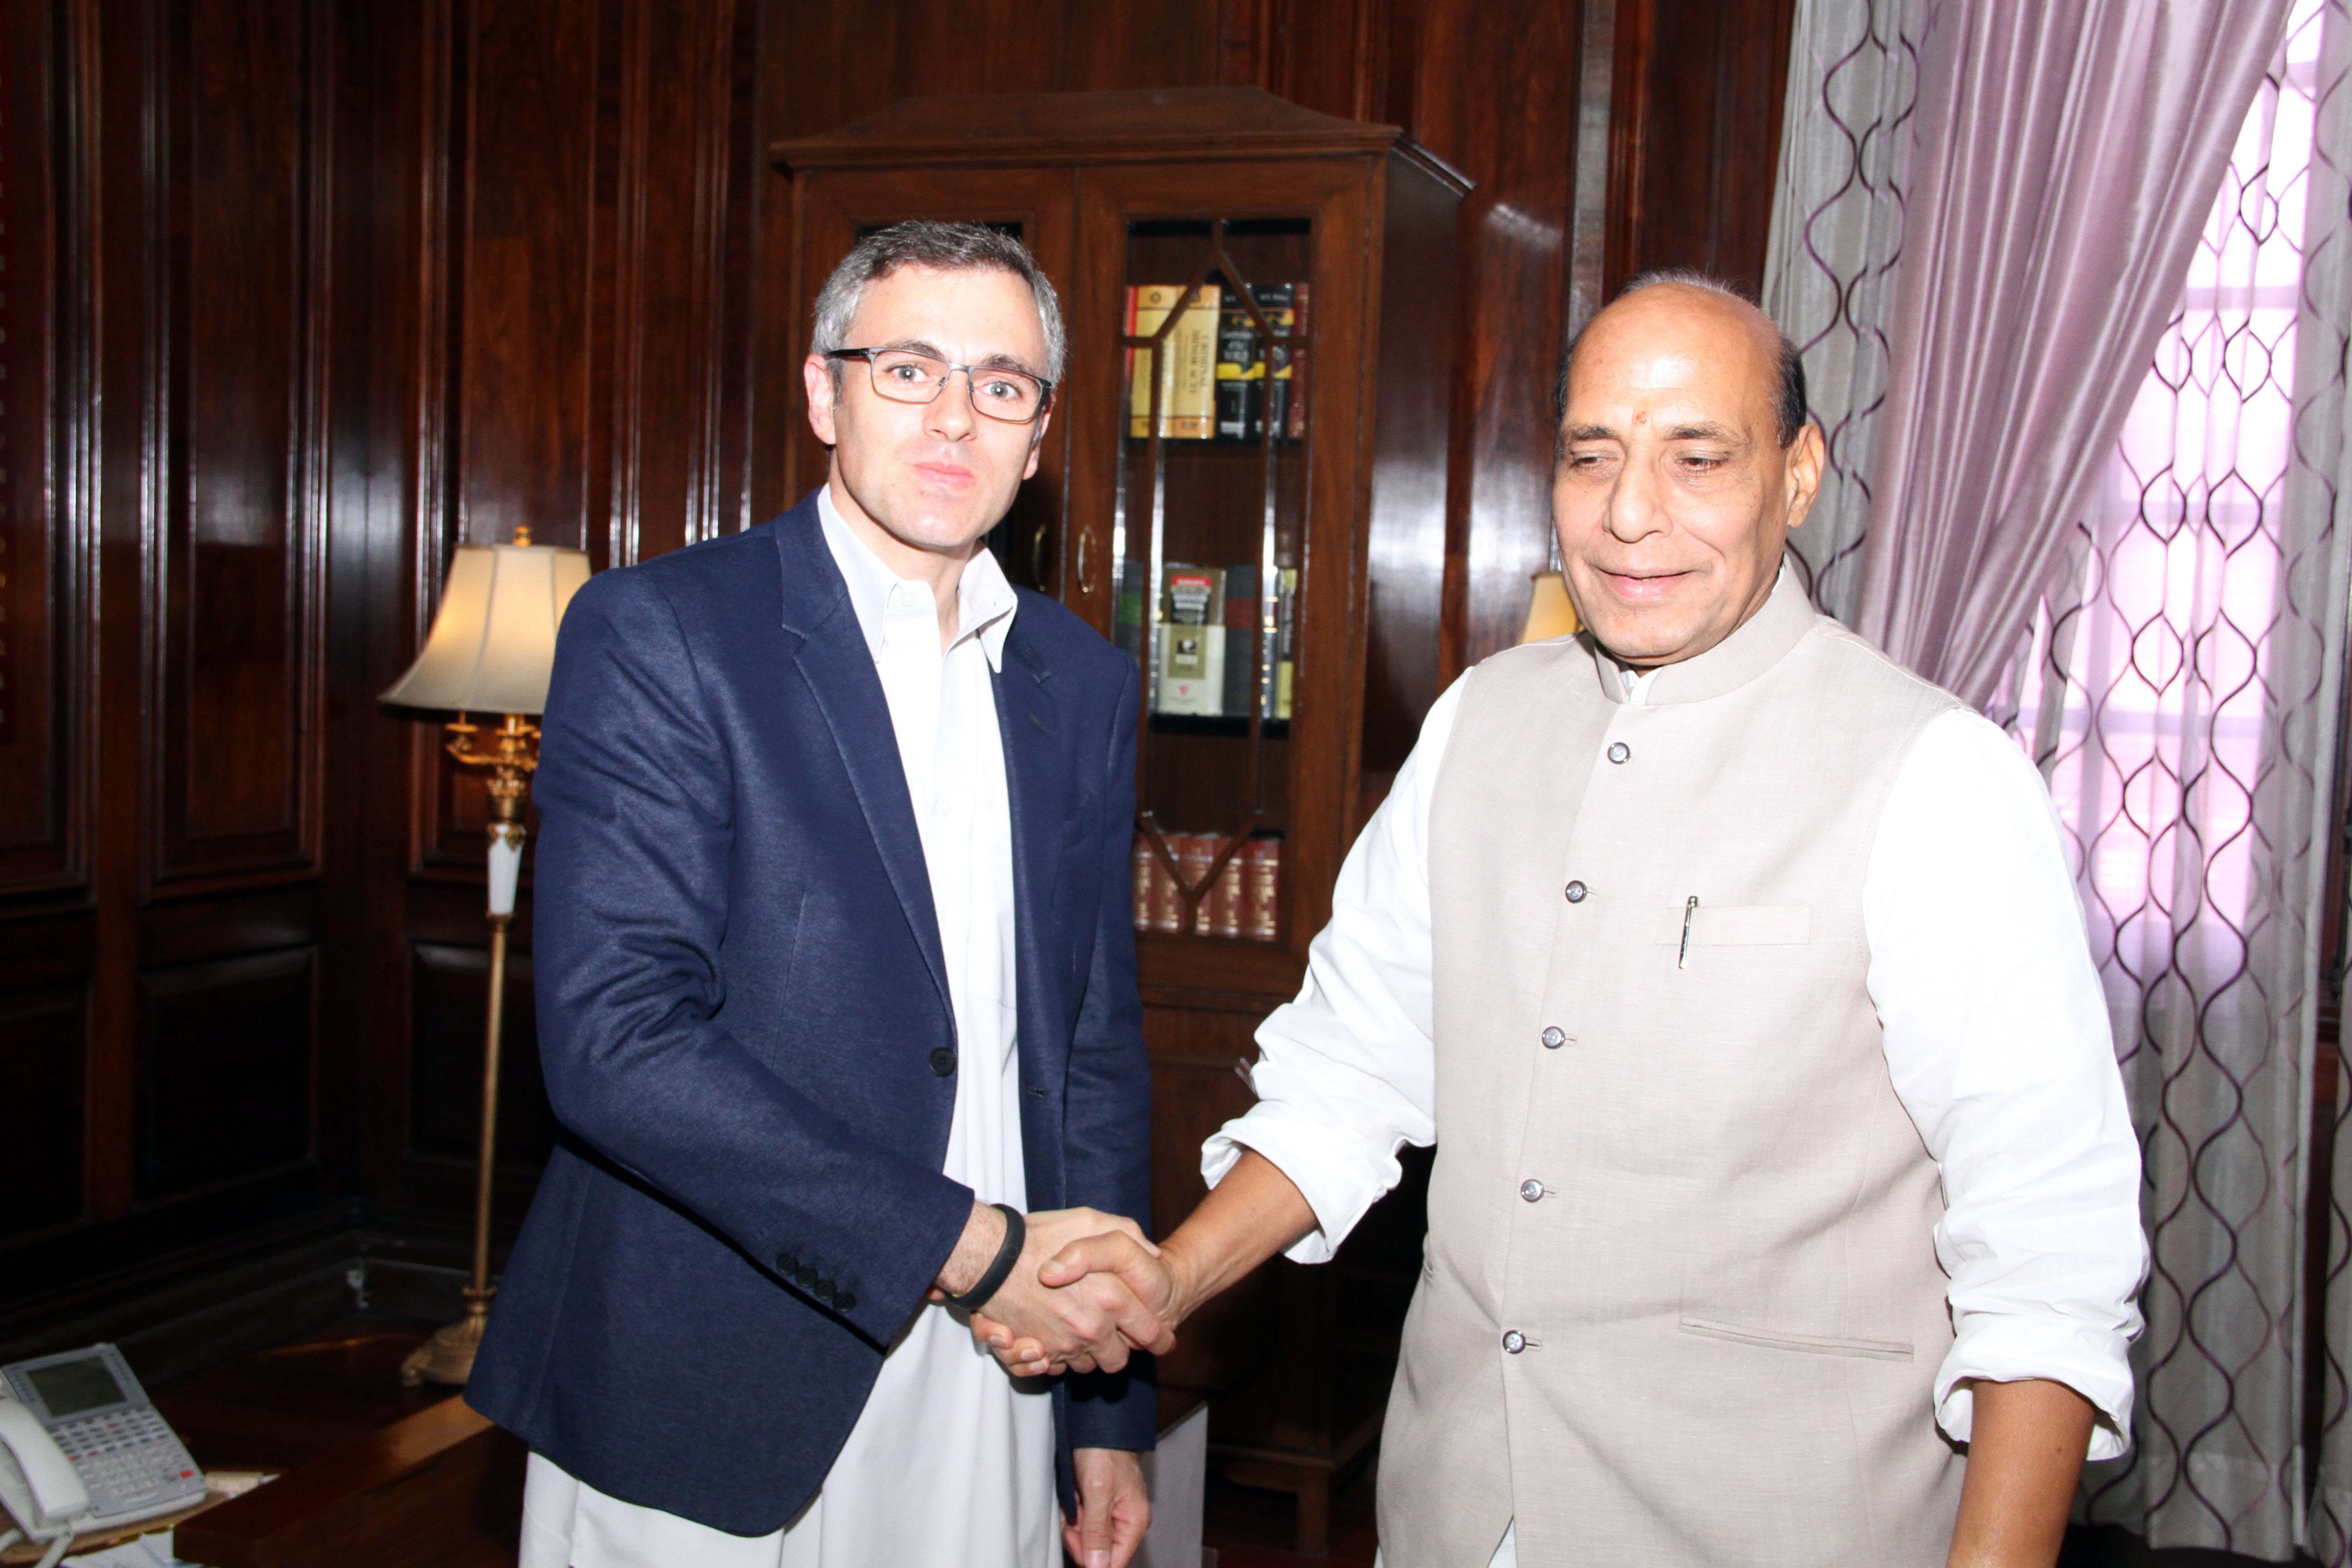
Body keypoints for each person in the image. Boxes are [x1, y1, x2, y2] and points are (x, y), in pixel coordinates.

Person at [980, 273, 2148, 1568]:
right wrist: (1176, 1278)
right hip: (1458, 1509)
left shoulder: (1936, 772)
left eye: (1698, 458)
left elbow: (2047, 1249)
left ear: (1799, 473)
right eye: (1593, 458)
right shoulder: (1480, 720)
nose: (1632, 516)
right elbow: (1353, 1069)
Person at [467, 220, 1166, 1568]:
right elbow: (619, 1048)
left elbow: (1088, 1053)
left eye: (1001, 384)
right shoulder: (662, 629)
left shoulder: (1078, 683)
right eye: (908, 369)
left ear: (1041, 431)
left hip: (993, 1366)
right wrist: (964, 1246)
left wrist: (1109, 1408)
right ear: (821, 393)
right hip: (710, 1359)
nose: (957, 418)